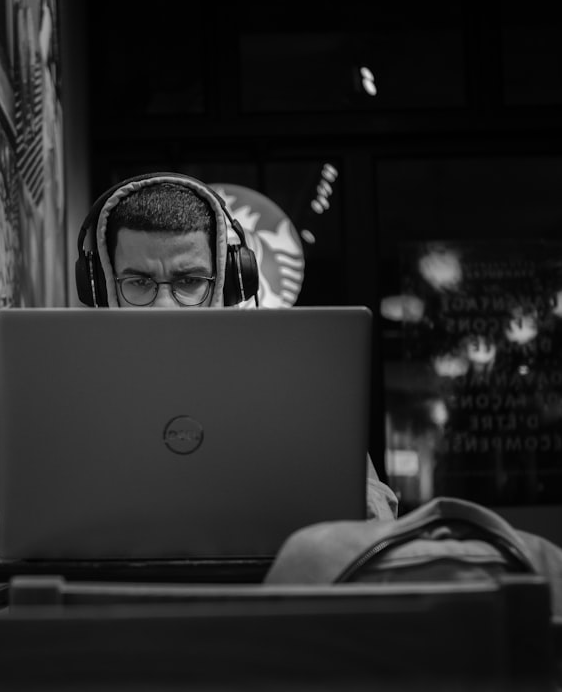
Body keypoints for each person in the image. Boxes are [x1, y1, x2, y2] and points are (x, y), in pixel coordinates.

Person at [80, 172, 398, 521]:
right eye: (139, 282)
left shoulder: (291, 387)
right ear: (104, 287)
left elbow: (375, 505)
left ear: (228, 283)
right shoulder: (71, 392)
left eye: (189, 281)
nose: (164, 306)